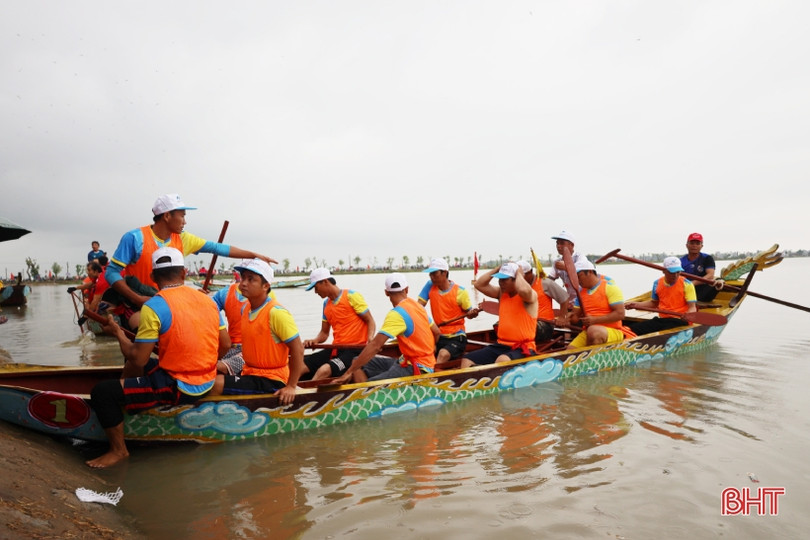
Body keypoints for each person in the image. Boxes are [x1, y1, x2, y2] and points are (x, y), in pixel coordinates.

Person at [86, 247, 229, 468]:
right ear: (183, 273)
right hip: (207, 379)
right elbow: (226, 345)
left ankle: (118, 450)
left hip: (179, 386)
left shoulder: (153, 306)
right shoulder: (209, 301)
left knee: (102, 392)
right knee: (145, 367)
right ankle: (132, 400)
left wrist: (118, 333)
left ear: (153, 278)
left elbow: (137, 359)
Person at [105, 193, 277, 328]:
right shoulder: (135, 238)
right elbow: (111, 273)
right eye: (182, 216)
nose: (185, 221)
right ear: (167, 216)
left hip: (172, 301)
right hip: (141, 302)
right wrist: (137, 299)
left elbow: (217, 248)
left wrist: (254, 255)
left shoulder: (183, 239)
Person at [211, 259, 305, 404]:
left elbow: (298, 349)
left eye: (251, 279)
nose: (243, 283)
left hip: (272, 379)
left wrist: (291, 386)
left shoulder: (276, 313)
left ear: (265, 286)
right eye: (243, 278)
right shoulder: (246, 309)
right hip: (249, 372)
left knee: (215, 384)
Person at [334, 273, 439, 384]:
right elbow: (436, 332)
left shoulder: (397, 314)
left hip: (416, 369)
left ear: (386, 292)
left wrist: (348, 373)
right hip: (416, 362)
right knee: (356, 361)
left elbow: (375, 346)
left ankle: (365, 393)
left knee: (364, 378)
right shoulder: (419, 307)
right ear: (407, 290)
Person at [301, 268, 377, 381]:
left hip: (355, 350)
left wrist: (370, 338)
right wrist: (315, 340)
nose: (316, 292)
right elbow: (324, 333)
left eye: (316, 288)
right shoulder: (326, 304)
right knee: (300, 365)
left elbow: (370, 321)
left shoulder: (352, 296)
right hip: (336, 349)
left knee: (324, 370)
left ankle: (304, 396)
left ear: (325, 282)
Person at [460, 262, 539, 368]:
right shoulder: (502, 294)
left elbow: (523, 289)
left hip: (523, 348)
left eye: (504, 279)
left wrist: (519, 274)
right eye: (499, 279)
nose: (500, 283)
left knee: (502, 360)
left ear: (515, 280)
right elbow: (478, 284)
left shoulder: (530, 296)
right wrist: (497, 269)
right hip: (501, 345)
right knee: (467, 359)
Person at [417, 258, 479, 365]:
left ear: (444, 273)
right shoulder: (430, 285)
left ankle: (433, 377)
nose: (431, 277)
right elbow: (418, 307)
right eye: (430, 274)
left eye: (434, 274)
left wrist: (473, 314)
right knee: (420, 351)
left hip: (456, 337)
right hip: (437, 335)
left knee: (442, 354)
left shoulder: (460, 291)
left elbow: (469, 314)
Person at [567, 259, 636, 348]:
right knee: (570, 350)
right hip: (590, 331)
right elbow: (575, 318)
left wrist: (595, 320)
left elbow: (620, 314)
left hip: (613, 330)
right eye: (575, 278)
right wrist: (568, 318)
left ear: (590, 272)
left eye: (579, 276)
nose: (578, 280)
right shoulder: (580, 293)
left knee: (594, 331)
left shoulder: (610, 288)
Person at [626, 257, 697, 335]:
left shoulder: (687, 284)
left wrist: (688, 315)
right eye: (672, 272)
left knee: (665, 331)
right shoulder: (657, 283)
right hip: (662, 319)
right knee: (632, 329)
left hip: (680, 320)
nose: (675, 275)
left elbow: (692, 307)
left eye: (678, 272)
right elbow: (654, 303)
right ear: (664, 271)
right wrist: (635, 305)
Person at [516, 260, 569, 341]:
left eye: (522, 275)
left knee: (525, 327)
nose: (519, 278)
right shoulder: (516, 285)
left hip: (545, 324)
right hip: (525, 322)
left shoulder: (545, 283)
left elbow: (564, 298)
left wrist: (562, 317)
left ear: (530, 272)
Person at [211, 278, 249, 376]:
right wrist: (202, 299)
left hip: (249, 350)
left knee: (221, 365)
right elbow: (209, 309)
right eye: (245, 277)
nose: (245, 284)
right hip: (231, 348)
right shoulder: (225, 293)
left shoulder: (269, 303)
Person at [680, 232, 723, 303]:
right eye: (692, 243)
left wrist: (692, 284)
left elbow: (710, 275)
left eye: (697, 244)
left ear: (701, 246)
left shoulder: (707, 258)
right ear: (687, 245)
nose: (694, 246)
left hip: (701, 289)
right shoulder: (681, 261)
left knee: (718, 282)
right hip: (685, 289)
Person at [546, 230, 587, 301]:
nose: (558, 246)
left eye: (562, 243)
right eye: (557, 243)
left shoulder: (580, 257)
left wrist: (566, 267)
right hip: (570, 302)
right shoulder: (557, 262)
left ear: (572, 245)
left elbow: (582, 272)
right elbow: (550, 279)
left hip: (585, 299)